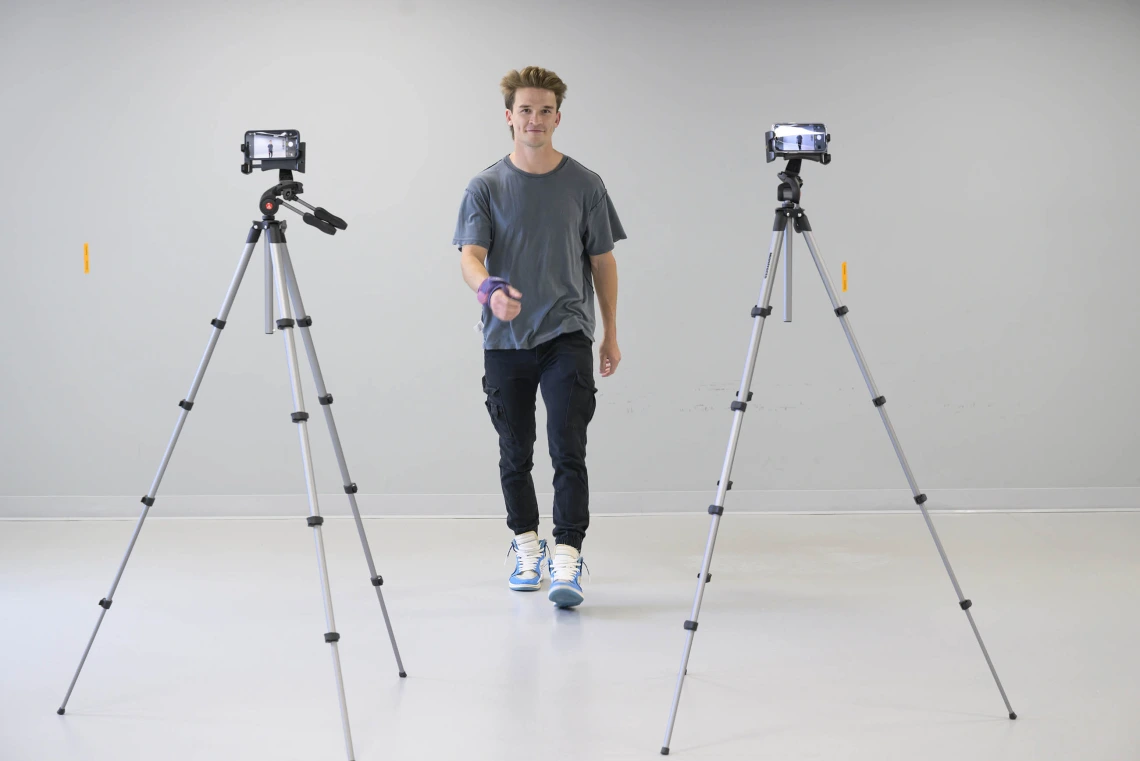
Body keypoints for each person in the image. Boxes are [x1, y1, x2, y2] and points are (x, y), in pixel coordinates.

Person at [452, 66, 625, 609]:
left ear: (557, 116)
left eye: (544, 110)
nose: (534, 119)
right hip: (505, 342)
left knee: (567, 448)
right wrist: (489, 292)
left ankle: (568, 555)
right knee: (515, 451)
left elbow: (602, 260)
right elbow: (470, 257)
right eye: (525, 110)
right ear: (509, 117)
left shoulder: (585, 184)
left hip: (567, 333)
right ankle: (528, 544)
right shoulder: (485, 186)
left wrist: (610, 333)